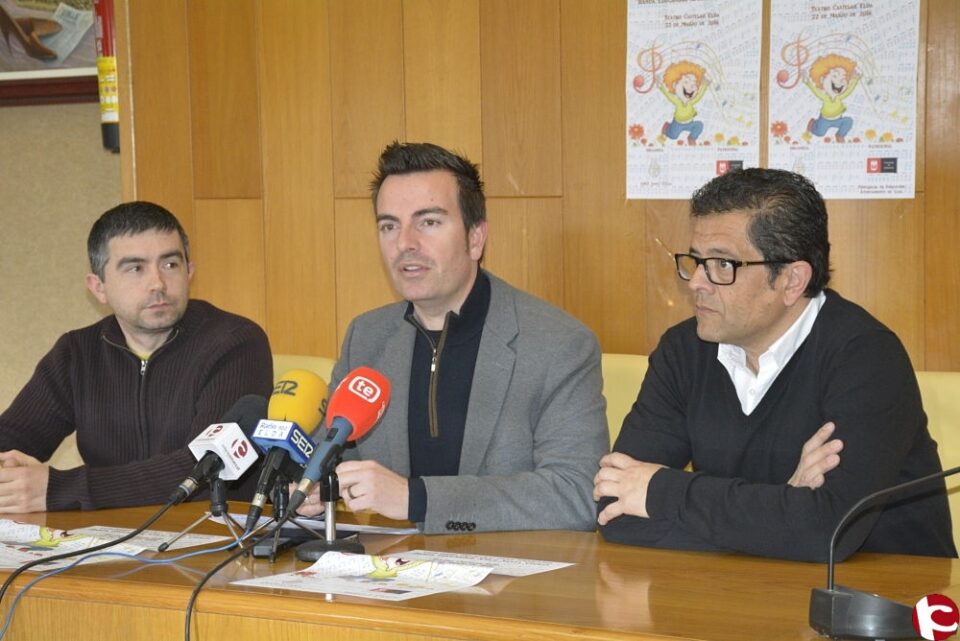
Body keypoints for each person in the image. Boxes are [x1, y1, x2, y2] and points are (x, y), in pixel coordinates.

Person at [594, 168, 956, 561]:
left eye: (722, 265)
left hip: (888, 592)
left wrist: (661, 492)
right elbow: (615, 510)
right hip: (739, 588)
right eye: (696, 261)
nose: (696, 281)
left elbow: (826, 532)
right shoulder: (683, 351)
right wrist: (785, 505)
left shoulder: (865, 357)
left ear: (791, 280)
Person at [296, 141, 607, 533]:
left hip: (509, 569)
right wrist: (308, 485)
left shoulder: (558, 344)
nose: (405, 243)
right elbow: (328, 457)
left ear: (475, 238)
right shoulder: (367, 336)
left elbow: (577, 494)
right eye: (389, 226)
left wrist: (418, 499)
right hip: (390, 564)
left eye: (428, 222)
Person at [0, 201, 273, 512]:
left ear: (189, 272)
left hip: (210, 531)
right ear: (98, 288)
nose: (157, 283)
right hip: (107, 532)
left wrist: (59, 489)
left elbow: (207, 468)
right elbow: (11, 440)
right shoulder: (77, 353)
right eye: (135, 268)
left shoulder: (235, 342)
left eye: (170, 264)